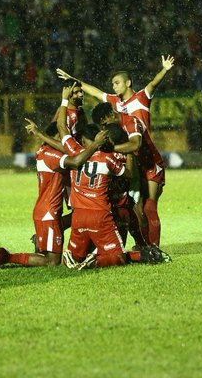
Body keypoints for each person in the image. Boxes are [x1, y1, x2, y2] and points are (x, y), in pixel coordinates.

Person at [0, 120, 108, 269]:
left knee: (78, 215)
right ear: (51, 138)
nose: (64, 141)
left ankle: (41, 240)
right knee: (52, 261)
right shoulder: (52, 155)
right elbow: (76, 161)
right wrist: (95, 145)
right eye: (60, 137)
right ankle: (7, 256)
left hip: (46, 211)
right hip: (49, 213)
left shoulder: (44, 152)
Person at [60, 124, 167, 270]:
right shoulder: (107, 158)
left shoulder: (75, 152)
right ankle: (98, 260)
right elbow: (129, 173)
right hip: (101, 214)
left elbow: (62, 129)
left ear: (84, 141)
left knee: (77, 254)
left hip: (78, 215)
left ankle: (72, 256)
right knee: (118, 256)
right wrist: (129, 151)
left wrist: (41, 133)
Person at [91, 102, 166, 248]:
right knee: (135, 209)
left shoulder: (131, 122)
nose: (105, 128)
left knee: (149, 207)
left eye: (105, 123)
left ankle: (154, 247)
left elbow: (135, 145)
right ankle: (143, 245)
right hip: (136, 169)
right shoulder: (116, 127)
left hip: (151, 166)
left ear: (111, 115)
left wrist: (108, 150)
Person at [56, 54, 175, 131]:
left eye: (117, 83)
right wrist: (73, 80)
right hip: (127, 151)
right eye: (112, 84)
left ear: (128, 83)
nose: (114, 87)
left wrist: (164, 69)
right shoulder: (115, 100)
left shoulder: (141, 97)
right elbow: (95, 93)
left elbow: (153, 83)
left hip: (144, 148)